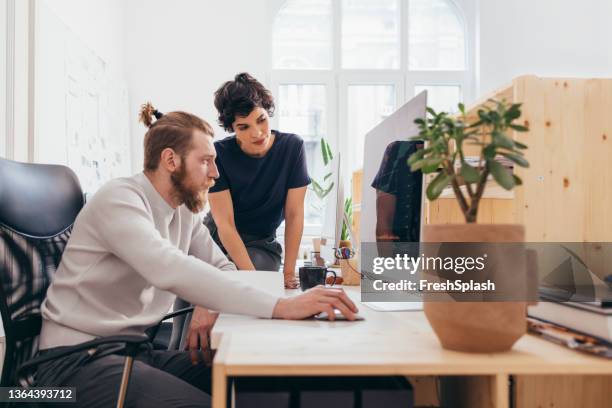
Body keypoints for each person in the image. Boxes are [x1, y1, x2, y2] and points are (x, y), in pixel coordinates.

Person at [35, 103, 358, 407]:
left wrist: (208, 299)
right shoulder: (120, 199)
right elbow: (169, 268)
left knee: (256, 375)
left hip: (135, 352)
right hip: (73, 364)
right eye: (206, 161)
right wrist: (282, 307)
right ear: (171, 160)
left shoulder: (182, 213)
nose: (215, 173)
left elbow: (223, 268)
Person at [205, 73, 309, 288]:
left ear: (267, 112)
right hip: (216, 238)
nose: (257, 133)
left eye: (261, 120)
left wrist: (288, 273)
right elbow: (225, 224)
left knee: (236, 276)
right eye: (244, 127)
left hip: (261, 245)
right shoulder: (219, 154)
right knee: (193, 280)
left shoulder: (292, 148)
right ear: (232, 128)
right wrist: (250, 282)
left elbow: (294, 214)